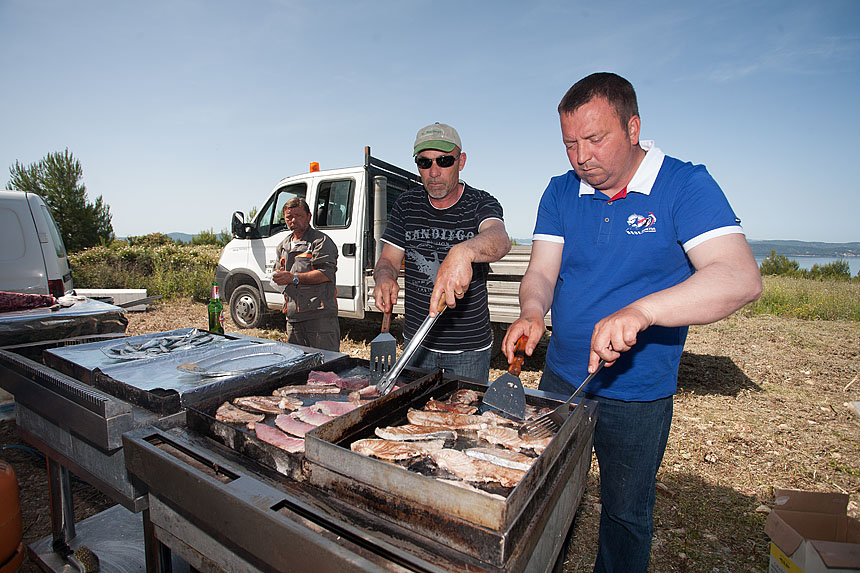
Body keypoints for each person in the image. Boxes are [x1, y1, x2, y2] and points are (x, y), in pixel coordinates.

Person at [503, 73, 762, 572]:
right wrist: (533, 311)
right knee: (545, 493)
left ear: (634, 127)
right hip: (561, 378)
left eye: (595, 140)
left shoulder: (684, 185)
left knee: (625, 513)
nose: (581, 158)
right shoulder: (560, 192)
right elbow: (540, 271)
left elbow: (739, 278)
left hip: (639, 392)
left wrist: (643, 312)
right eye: (570, 144)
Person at [373, 122, 511, 382]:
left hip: (468, 350)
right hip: (416, 344)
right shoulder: (406, 205)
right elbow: (388, 260)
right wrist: (384, 277)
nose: (434, 172)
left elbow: (500, 239)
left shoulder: (480, 202)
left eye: (444, 161)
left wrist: (464, 251)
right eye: (424, 163)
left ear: (461, 161)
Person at [272, 197, 340, 351]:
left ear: (309, 217)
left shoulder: (320, 242)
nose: (293, 220)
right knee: (298, 363)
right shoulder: (283, 246)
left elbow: (325, 273)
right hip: (293, 316)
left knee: (326, 364)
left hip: (319, 317)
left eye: (299, 216)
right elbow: (281, 272)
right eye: (289, 217)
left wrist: (294, 278)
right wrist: (279, 277)